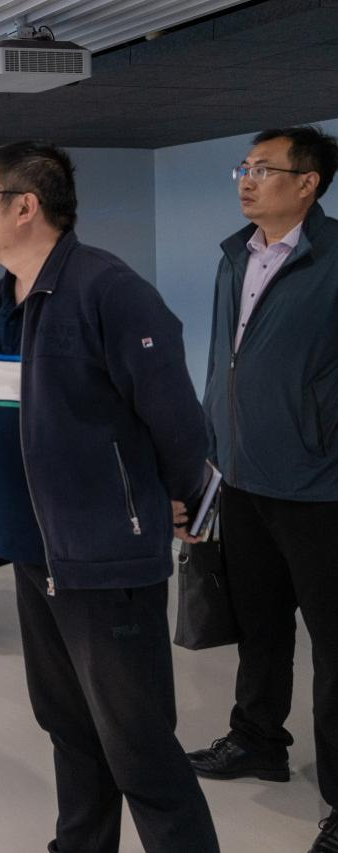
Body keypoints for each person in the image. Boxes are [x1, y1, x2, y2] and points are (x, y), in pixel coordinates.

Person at [0, 141, 219, 852]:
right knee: (68, 726)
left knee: (138, 744)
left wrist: (174, 496)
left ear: (24, 206)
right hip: (36, 549)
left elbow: (176, 419)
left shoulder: (107, 290)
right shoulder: (9, 295)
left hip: (102, 555)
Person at [184, 125, 338, 853]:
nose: (246, 180)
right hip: (242, 478)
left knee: (333, 648)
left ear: (307, 183)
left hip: (321, 486)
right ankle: (256, 739)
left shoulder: (332, 258)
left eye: (263, 169)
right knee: (260, 625)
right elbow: (225, 362)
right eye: (242, 168)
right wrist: (209, 457)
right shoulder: (234, 256)